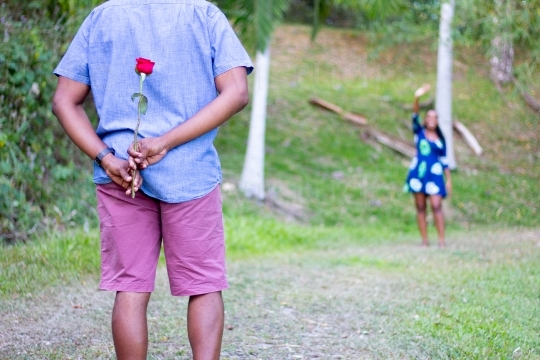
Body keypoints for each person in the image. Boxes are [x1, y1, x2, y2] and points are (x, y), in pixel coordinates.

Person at [51, 0, 253, 358]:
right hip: (190, 171)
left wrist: (106, 158)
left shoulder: (103, 17)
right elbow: (236, 92)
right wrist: (166, 142)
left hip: (122, 175)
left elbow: (65, 101)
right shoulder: (202, 15)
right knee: (203, 285)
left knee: (130, 288)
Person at [404, 84, 452, 248]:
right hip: (419, 172)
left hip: (436, 173)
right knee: (420, 207)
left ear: (437, 121)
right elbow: (414, 115)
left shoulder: (440, 138)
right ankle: (425, 240)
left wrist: (448, 179)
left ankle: (441, 240)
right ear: (425, 120)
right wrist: (417, 97)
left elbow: (444, 158)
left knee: (436, 205)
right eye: (429, 117)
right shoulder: (419, 132)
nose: (432, 120)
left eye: (435, 117)